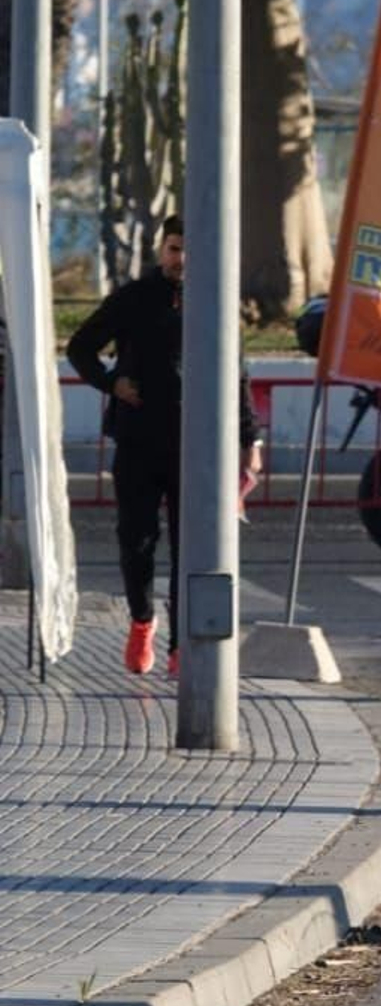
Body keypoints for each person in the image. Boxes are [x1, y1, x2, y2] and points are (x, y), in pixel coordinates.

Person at [66, 216, 262, 678]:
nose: (182, 259)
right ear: (161, 250)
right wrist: (112, 383)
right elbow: (80, 347)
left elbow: (237, 375)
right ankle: (141, 620)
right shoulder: (134, 297)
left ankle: (180, 645)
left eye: (191, 250)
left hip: (198, 446)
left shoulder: (216, 299)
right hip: (138, 440)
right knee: (136, 540)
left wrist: (249, 440)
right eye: (175, 248)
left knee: (189, 548)